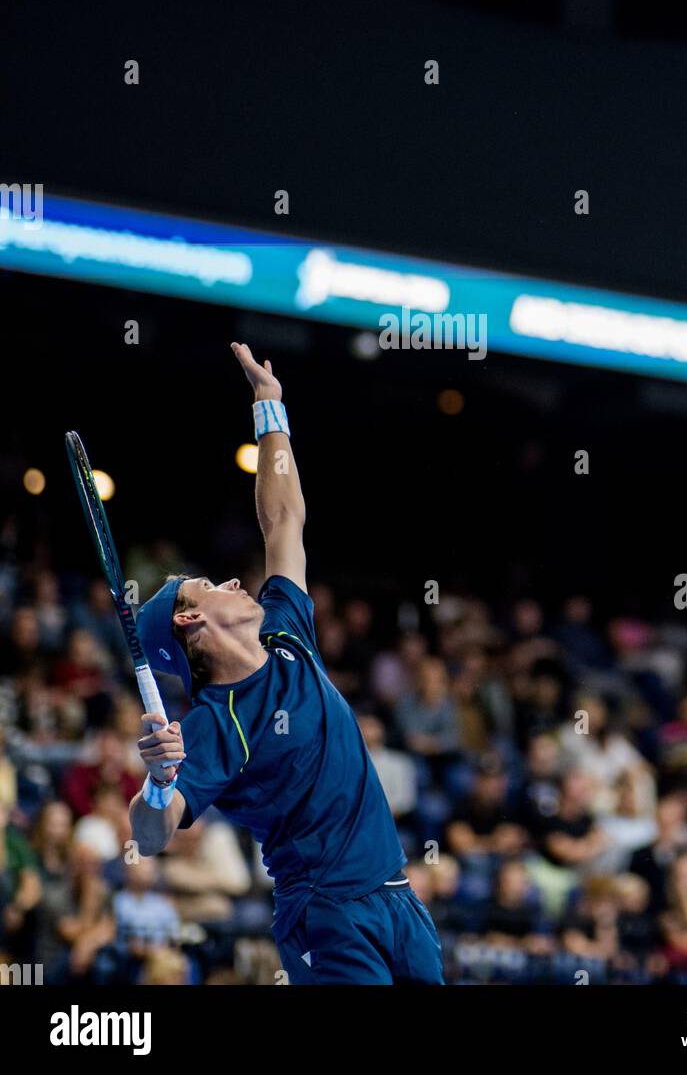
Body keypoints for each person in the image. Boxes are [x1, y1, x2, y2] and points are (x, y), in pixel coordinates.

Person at [128, 342, 443, 985]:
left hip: (399, 900)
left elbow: (284, 521)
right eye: (207, 585)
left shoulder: (287, 633)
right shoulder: (215, 725)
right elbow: (154, 835)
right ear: (190, 620)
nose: (232, 583)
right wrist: (157, 782)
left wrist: (269, 408)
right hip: (326, 916)